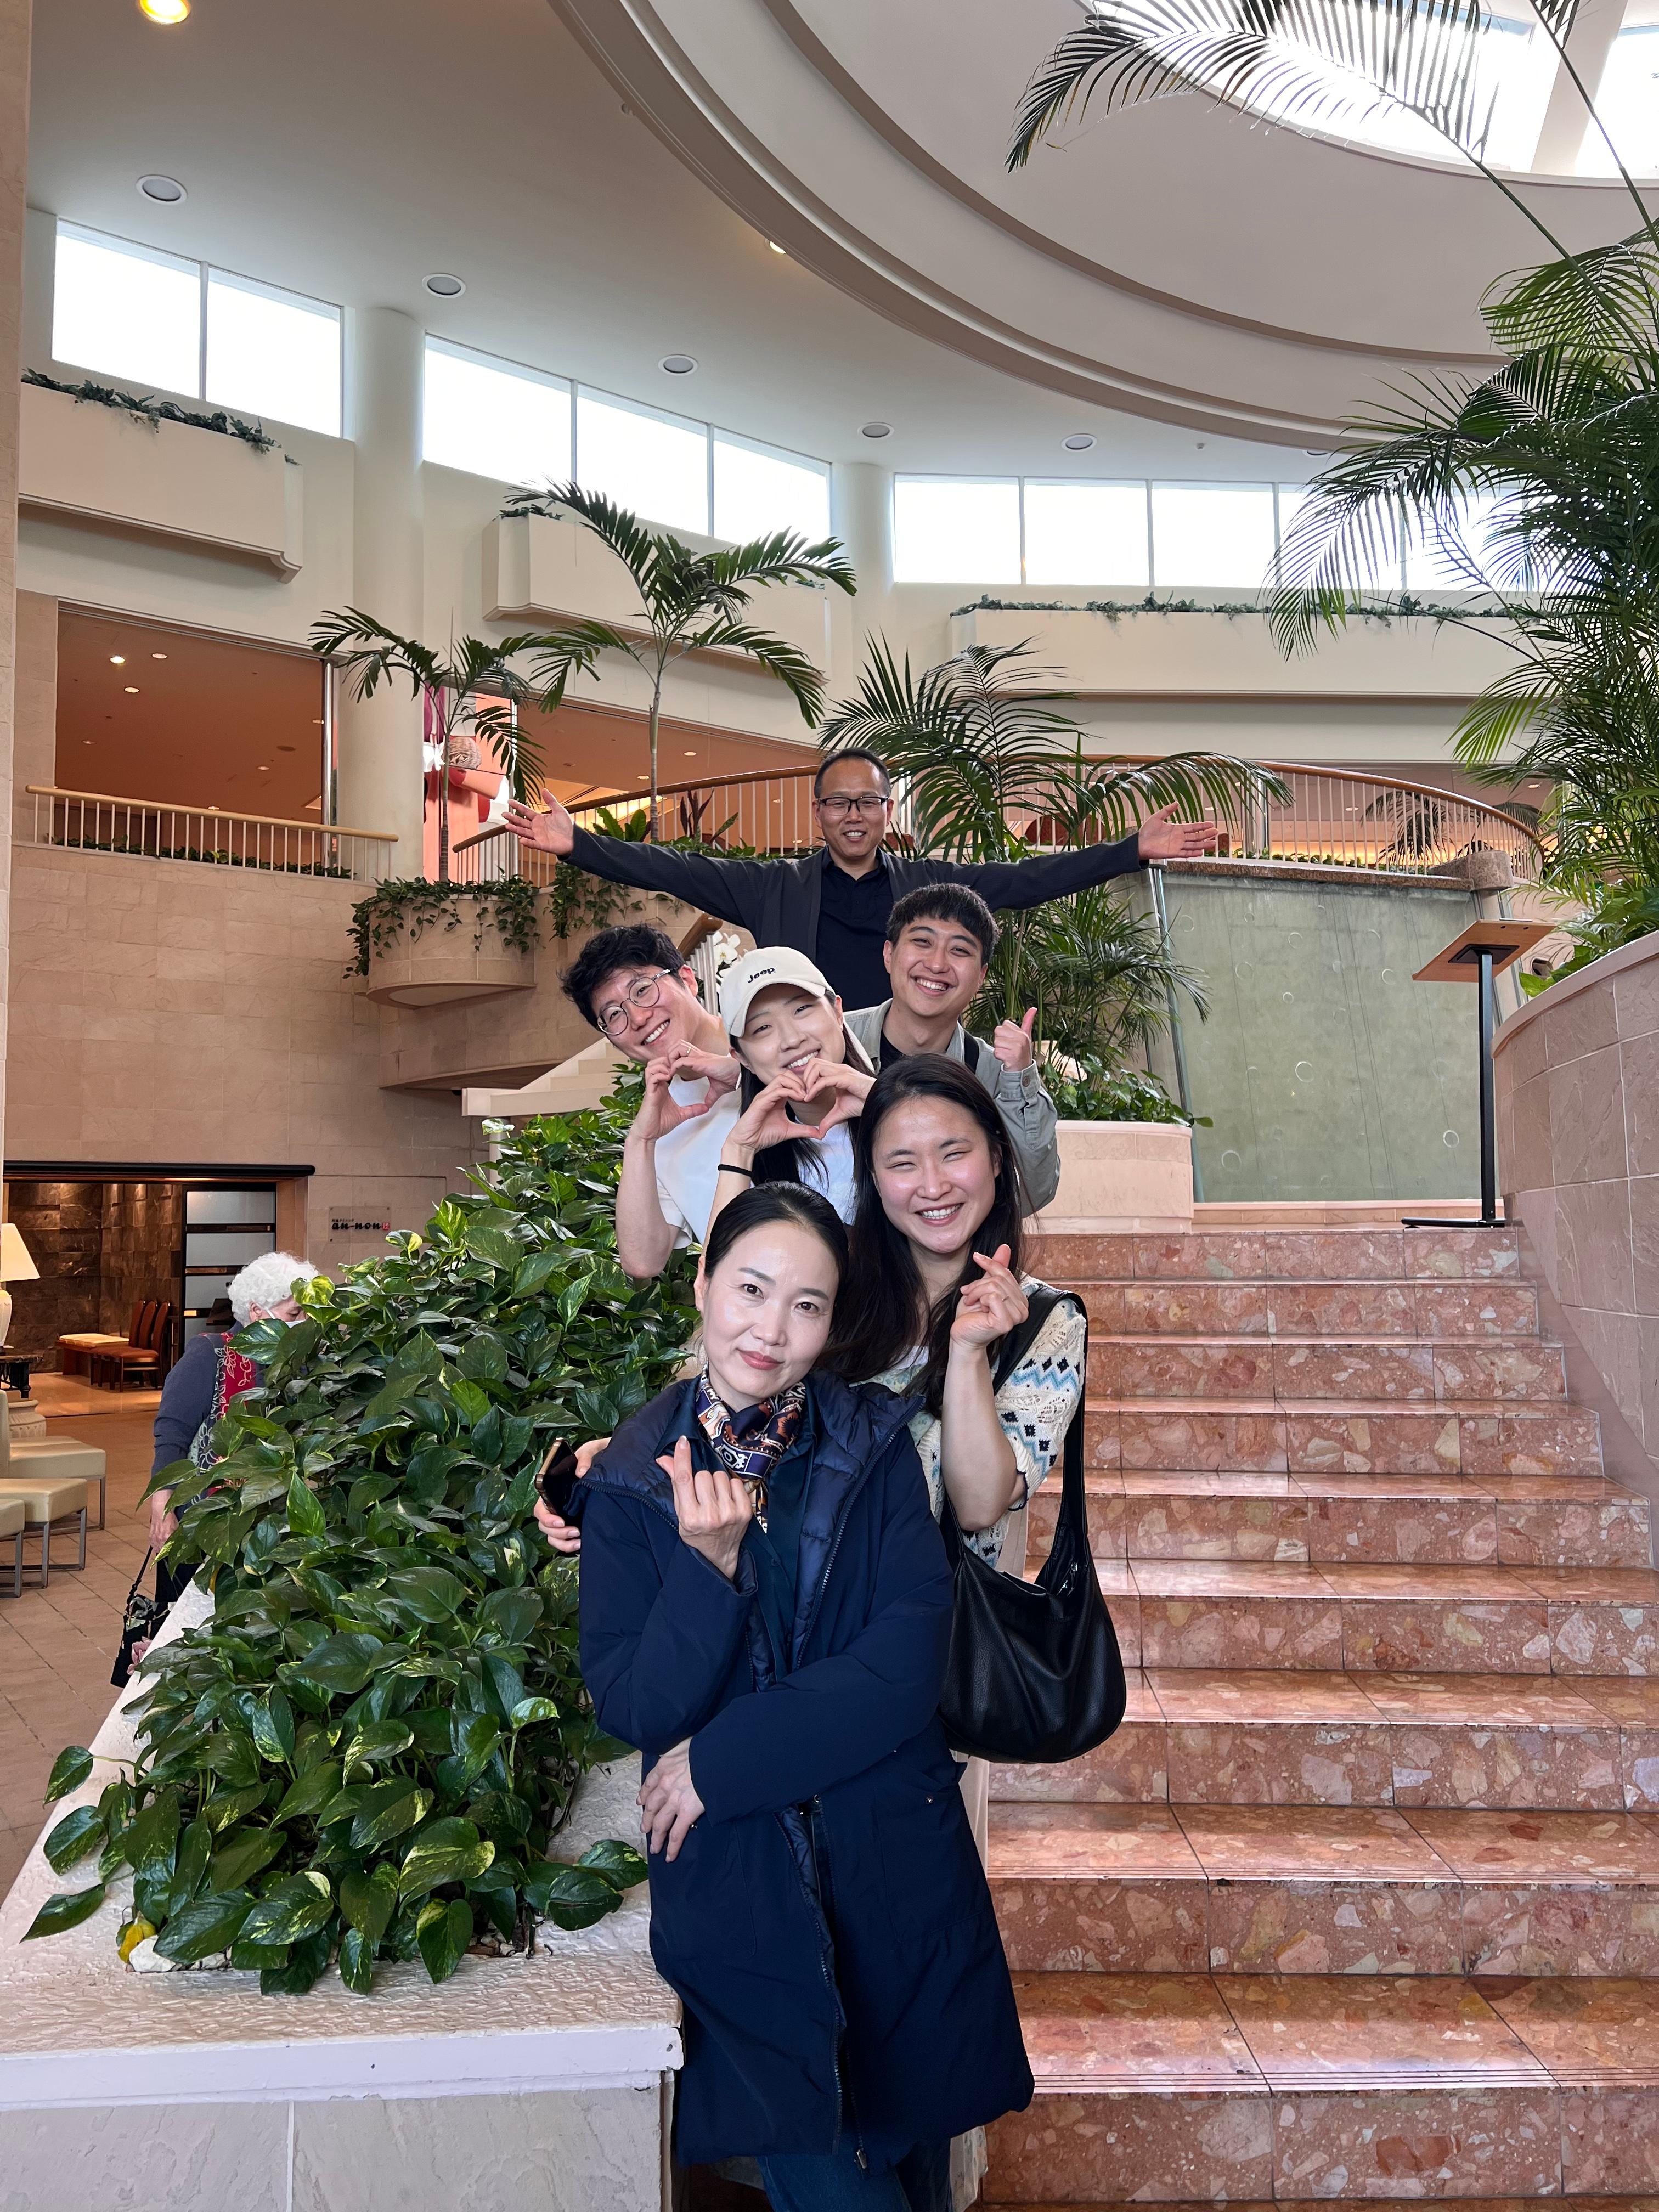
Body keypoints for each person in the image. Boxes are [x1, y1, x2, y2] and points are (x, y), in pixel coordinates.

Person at [574, 1182, 1032, 2209]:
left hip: (893, 1865)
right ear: (702, 1284)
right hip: (743, 1894)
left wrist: (723, 1760)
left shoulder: (870, 1448)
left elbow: (903, 1664)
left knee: (914, 2164)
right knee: (823, 2167)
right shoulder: (629, 1480)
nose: (770, 1329)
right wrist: (707, 1570)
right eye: (751, 1288)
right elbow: (636, 1704)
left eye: (807, 1305)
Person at [828, 1056, 1088, 1857]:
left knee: (905, 1885)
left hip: (921, 1660)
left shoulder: (1048, 1322)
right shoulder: (831, 1287)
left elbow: (980, 1506)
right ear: (873, 1179)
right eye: (902, 1162)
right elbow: (730, 1367)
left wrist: (970, 1353)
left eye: (954, 1152)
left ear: (998, 1157)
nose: (933, 1185)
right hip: (798, 1630)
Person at [504, 748, 1218, 1009]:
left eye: (868, 802)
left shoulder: (928, 886)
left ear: (887, 810)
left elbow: (1025, 879)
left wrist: (1129, 850)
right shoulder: (771, 888)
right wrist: (578, 845)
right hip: (806, 1072)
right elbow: (674, 868)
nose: (854, 815)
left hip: (902, 1067)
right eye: (839, 802)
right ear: (818, 812)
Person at [844, 883, 1060, 1211]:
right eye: (922, 942)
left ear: (981, 976)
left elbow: (1032, 1194)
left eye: (959, 950)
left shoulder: (993, 1073)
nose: (937, 964)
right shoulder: (834, 1039)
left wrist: (1020, 1078)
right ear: (889, 954)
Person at [141, 1253, 319, 1639]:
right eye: (294, 1314)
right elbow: (172, 1433)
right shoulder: (211, 1354)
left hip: (271, 1521)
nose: (303, 1322)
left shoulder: (298, 1365)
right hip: (205, 1517)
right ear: (257, 1311)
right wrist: (163, 1503)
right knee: (187, 1624)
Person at [561, 923, 741, 1280]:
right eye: (614, 1015)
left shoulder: (773, 1037)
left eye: (643, 989)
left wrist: (744, 1074)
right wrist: (641, 1141)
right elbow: (643, 1261)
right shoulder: (664, 1123)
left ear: (687, 980)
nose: (639, 1018)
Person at [703, 947, 874, 1243]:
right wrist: (739, 1151)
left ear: (837, 1012)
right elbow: (718, 1271)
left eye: (802, 1009)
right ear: (742, 1058)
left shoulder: (904, 1100)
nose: (792, 1039)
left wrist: (885, 1105)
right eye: (762, 1028)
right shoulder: (750, 1162)